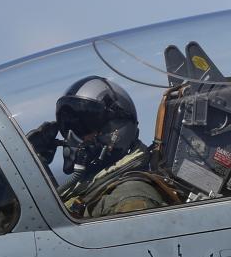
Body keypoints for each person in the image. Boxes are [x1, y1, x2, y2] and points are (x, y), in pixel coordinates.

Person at [26, 76, 175, 217]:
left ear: (115, 133)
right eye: (68, 127)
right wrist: (33, 166)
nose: (72, 136)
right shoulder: (93, 188)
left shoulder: (129, 199)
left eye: (84, 127)